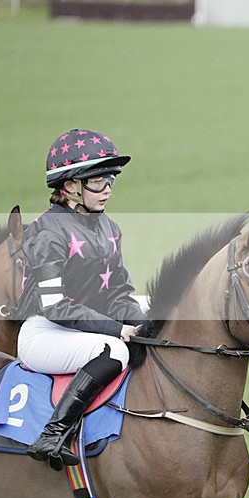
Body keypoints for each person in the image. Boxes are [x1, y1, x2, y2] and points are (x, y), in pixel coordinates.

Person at [16, 128, 146, 471]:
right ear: (70, 185)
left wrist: (147, 324)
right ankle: (53, 435)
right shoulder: (46, 231)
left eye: (110, 181)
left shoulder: (109, 228)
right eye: (98, 182)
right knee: (115, 350)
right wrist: (119, 330)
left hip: (82, 331)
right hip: (44, 333)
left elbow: (119, 293)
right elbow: (55, 306)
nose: (107, 190)